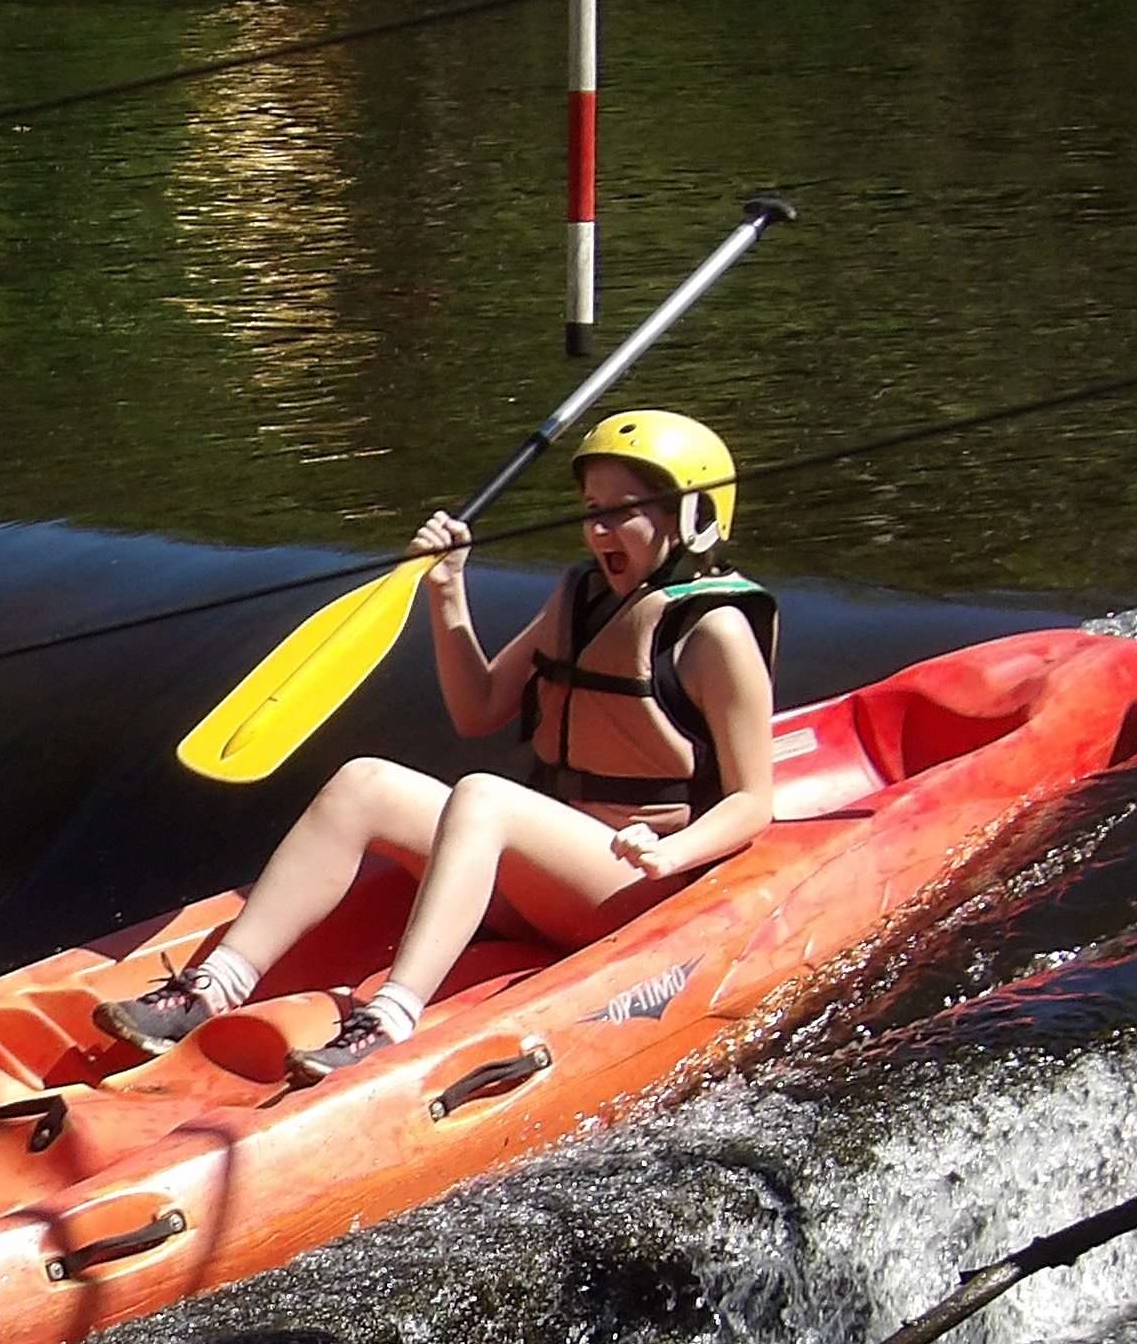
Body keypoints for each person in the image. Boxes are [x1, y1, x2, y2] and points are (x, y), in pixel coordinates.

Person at [95, 411, 779, 1088]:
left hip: (636, 886)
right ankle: (211, 988)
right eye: (592, 509)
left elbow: (753, 800)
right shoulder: (583, 599)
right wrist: (448, 595)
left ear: (693, 518)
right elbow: (479, 708)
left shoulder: (715, 633)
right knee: (364, 782)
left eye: (622, 512)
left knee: (484, 796)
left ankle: (389, 1018)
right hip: (545, 876)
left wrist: (671, 854)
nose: (599, 530)